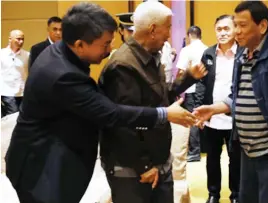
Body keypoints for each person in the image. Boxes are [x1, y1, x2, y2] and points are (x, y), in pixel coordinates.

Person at [5, 3, 197, 203]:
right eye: (105, 44)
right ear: (80, 44)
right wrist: (164, 114)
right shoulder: (63, 74)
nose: (110, 49)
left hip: (53, 159)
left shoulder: (63, 53)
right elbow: (112, 113)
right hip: (41, 168)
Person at [194, 1, 268, 203]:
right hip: (246, 150)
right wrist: (214, 109)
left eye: (242, 25)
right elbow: (238, 95)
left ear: (262, 26)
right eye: (235, 25)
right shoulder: (242, 54)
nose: (236, 32)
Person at [98, 1, 207, 203]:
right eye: (168, 27)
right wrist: (144, 166)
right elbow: (122, 122)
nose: (169, 34)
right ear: (153, 30)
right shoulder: (123, 65)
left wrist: (189, 77)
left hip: (157, 162)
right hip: (135, 170)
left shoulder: (150, 57)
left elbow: (161, 95)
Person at [195, 15, 240, 203]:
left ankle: (236, 194)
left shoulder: (243, 53)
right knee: (212, 159)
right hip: (211, 117)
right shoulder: (208, 53)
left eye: (226, 29)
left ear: (235, 29)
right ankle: (213, 194)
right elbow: (201, 84)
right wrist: (200, 111)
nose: (222, 33)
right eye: (219, 29)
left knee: (235, 159)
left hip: (235, 118)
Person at [177, 25, 207, 163]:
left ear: (189, 35)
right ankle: (202, 148)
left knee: (192, 117)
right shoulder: (207, 49)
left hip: (191, 88)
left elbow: (182, 71)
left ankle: (194, 151)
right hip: (205, 88)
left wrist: (177, 88)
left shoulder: (186, 50)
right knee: (203, 116)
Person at [1, 30, 29, 118]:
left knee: (22, 116)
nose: (21, 42)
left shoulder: (27, 55)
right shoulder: (2, 54)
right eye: (18, 39)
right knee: (12, 117)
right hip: (7, 92)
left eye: (22, 39)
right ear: (10, 39)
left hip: (22, 92)